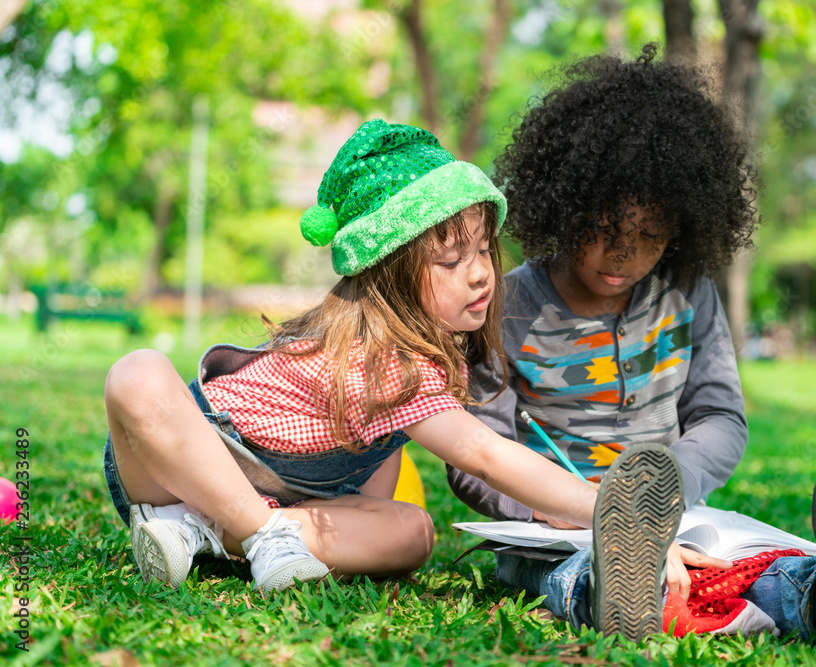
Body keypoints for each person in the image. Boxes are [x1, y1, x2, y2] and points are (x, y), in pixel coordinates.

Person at [448, 45, 816, 652]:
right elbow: (475, 451)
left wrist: (664, 493)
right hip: (554, 527)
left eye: (650, 238)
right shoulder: (507, 308)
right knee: (558, 570)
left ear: (683, 226)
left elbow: (720, 418)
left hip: (679, 514)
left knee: (746, 564)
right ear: (564, 205)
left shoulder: (690, 293)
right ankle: (613, 590)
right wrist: (538, 507)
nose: (623, 255)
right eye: (604, 232)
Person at [102, 119, 612, 595]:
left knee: (412, 531)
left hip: (286, 501)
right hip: (176, 464)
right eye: (452, 260)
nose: (480, 272)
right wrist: (600, 507)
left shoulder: (424, 359)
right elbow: (484, 453)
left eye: (483, 250)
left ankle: (202, 533)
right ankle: (253, 532)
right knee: (138, 372)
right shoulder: (384, 355)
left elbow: (366, 501)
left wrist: (557, 507)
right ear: (388, 274)